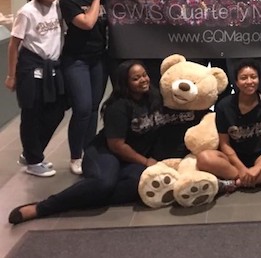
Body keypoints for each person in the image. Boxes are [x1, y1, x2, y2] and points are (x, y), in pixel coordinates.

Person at [8, 61, 164, 224]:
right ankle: (43, 207)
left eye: (144, 75)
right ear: (125, 83)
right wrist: (146, 161)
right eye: (136, 78)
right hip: (106, 152)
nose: (144, 80)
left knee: (138, 185)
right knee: (103, 184)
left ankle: (87, 194)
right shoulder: (118, 107)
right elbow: (117, 145)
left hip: (130, 159)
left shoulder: (154, 98)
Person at [195, 60, 261, 189]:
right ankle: (255, 179)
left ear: (259, 80)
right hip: (232, 160)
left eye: (253, 77)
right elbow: (224, 143)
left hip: (259, 157)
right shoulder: (224, 106)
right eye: (243, 78)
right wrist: (241, 168)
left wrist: (258, 167)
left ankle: (237, 182)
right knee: (204, 158)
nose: (249, 82)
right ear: (236, 82)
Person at [6, 0, 66, 178]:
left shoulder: (59, 6)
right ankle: (33, 160)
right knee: (31, 113)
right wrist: (11, 75)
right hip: (31, 68)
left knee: (57, 110)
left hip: (52, 67)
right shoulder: (27, 12)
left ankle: (31, 151)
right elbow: (14, 45)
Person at [60, 0, 108, 175]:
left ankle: (89, 151)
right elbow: (87, 23)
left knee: (92, 107)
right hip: (76, 60)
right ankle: (75, 156)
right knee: (81, 109)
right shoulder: (67, 0)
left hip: (98, 59)